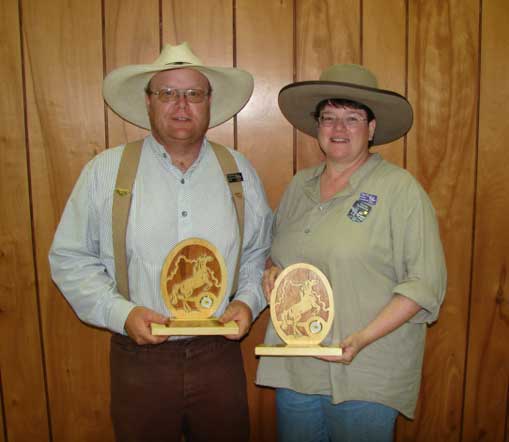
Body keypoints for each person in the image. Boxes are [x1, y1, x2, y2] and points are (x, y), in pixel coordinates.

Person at [49, 42, 272, 442]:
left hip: (218, 358)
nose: (181, 104)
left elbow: (257, 252)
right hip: (140, 362)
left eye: (193, 93)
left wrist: (248, 301)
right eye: (167, 93)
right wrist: (122, 314)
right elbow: (70, 258)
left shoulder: (238, 172)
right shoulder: (106, 171)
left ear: (209, 102)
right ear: (149, 102)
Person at [256, 64, 447, 442]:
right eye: (329, 117)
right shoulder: (299, 186)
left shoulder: (399, 190)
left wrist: (360, 339)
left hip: (366, 370)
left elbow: (425, 282)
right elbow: (279, 254)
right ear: (317, 127)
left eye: (352, 118)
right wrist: (272, 272)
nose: (338, 128)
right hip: (295, 367)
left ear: (371, 128)